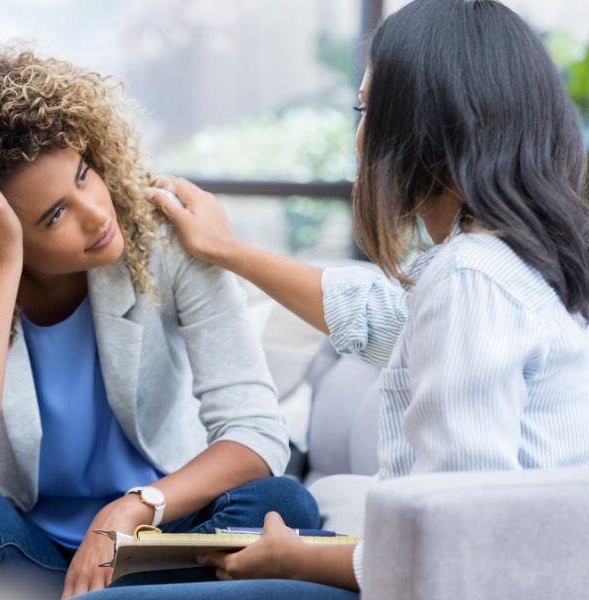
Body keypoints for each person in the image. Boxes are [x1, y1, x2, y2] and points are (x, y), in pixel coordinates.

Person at [84, 0, 589, 598]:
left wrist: (295, 561)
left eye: (368, 110)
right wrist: (228, 251)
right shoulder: (512, 267)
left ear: (428, 125)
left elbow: (457, 541)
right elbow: (383, 320)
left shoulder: (470, 277)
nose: (358, 142)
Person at [0, 42, 320, 600]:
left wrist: (135, 506)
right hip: (28, 554)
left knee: (283, 504)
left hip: (157, 546)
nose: (97, 213)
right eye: (55, 215)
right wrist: (1, 264)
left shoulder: (165, 241)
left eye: (84, 174)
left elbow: (256, 432)